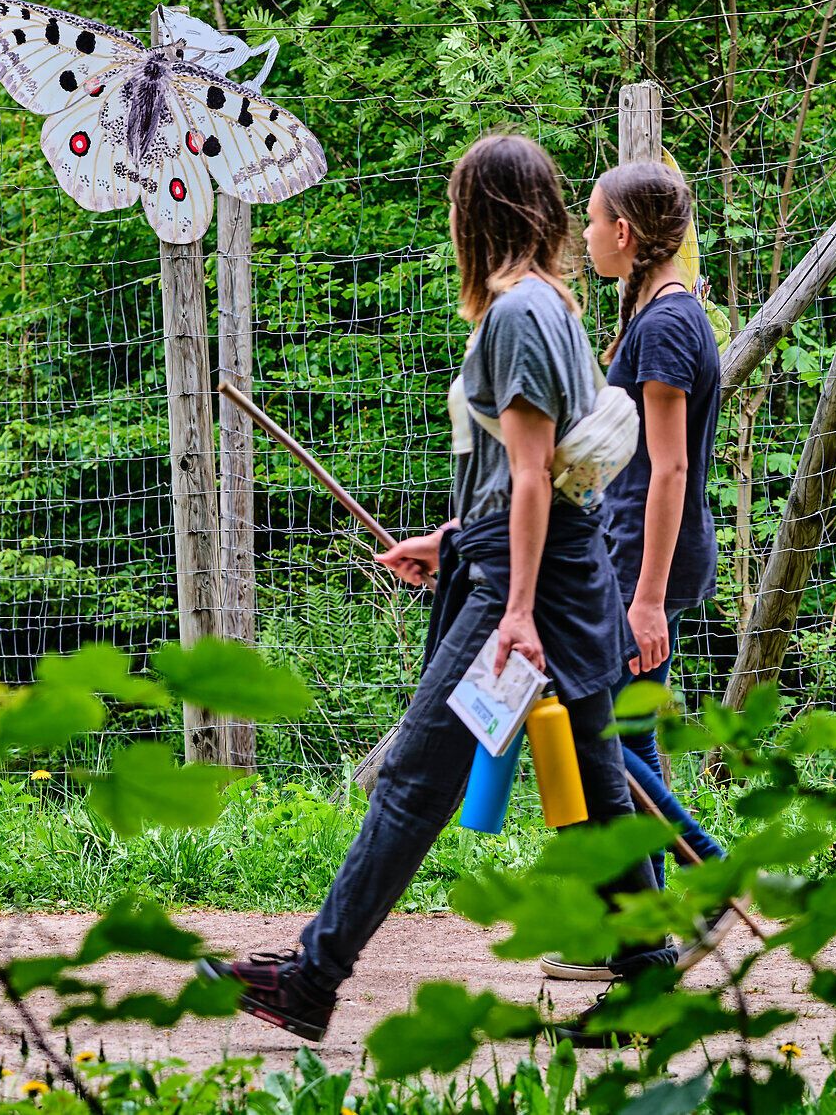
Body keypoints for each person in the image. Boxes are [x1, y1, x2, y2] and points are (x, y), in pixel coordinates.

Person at [198, 134, 676, 1043]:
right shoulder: (545, 307)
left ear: (481, 213)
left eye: (459, 205)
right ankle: (652, 977)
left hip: (525, 586)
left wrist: (518, 609)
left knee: (416, 777)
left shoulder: (519, 316)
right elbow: (528, 476)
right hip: (530, 565)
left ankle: (311, 976)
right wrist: (454, 537)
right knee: (598, 781)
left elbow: (537, 478)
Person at [540, 160, 734, 981]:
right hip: (642, 553)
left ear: (625, 233)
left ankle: (707, 878)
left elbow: (670, 471)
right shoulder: (660, 313)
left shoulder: (663, 328)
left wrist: (647, 596)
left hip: (645, 562)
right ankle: (640, 933)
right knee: (627, 734)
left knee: (609, 744)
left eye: (592, 222)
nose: (584, 237)